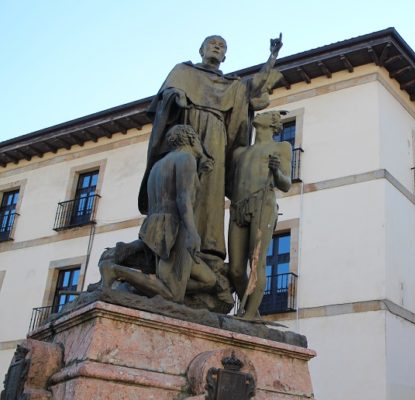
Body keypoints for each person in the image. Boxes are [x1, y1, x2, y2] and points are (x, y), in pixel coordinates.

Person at [139, 34, 283, 266]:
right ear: (201, 49)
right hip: (188, 127)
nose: (216, 47)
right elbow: (164, 97)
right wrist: (175, 95)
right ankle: (176, 238)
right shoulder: (184, 72)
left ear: (225, 56)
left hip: (216, 134)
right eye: (212, 44)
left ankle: (207, 244)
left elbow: (256, 85)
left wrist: (272, 56)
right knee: (183, 184)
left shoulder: (232, 85)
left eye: (221, 46)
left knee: (210, 188)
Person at [101, 125, 217, 302]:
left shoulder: (158, 165)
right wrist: (192, 233)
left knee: (209, 280)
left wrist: (199, 172)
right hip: (175, 227)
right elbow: (182, 198)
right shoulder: (186, 159)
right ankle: (117, 271)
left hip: (154, 224)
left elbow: (170, 192)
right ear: (193, 140)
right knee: (172, 294)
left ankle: (142, 282)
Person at [228, 111, 292, 319]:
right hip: (238, 207)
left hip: (262, 203)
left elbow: (286, 184)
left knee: (257, 261)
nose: (260, 115)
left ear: (273, 124)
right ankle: (252, 312)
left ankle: (248, 316)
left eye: (267, 114)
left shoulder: (281, 148)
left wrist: (275, 172)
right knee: (236, 269)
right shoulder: (240, 153)